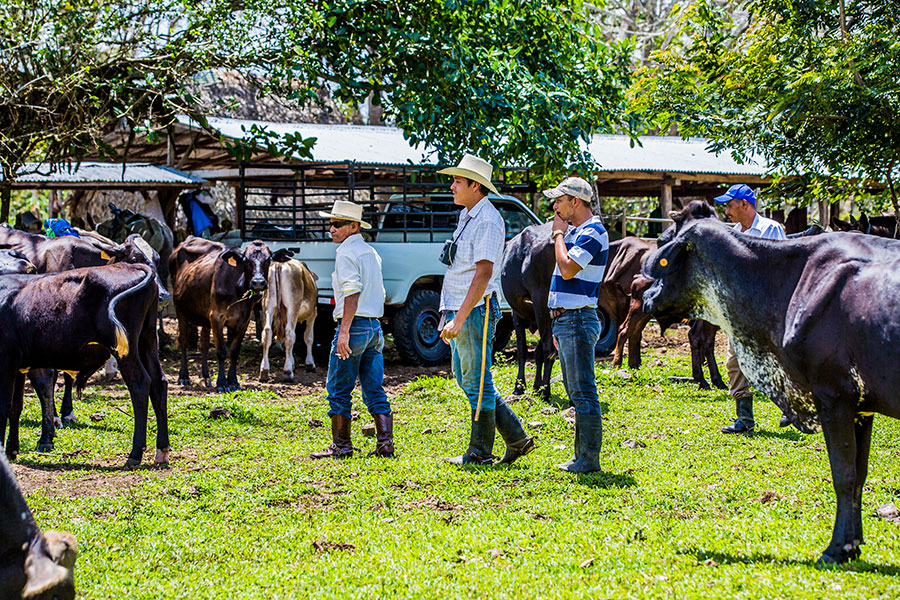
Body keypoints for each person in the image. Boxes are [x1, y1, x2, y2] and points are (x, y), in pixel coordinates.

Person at [437, 154, 534, 465]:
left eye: (458, 181)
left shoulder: (489, 220)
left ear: (475, 185)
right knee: (467, 377)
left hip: (476, 308)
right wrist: (449, 313)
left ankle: (480, 452)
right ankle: (517, 438)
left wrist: (460, 317)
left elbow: (482, 274)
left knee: (477, 380)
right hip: (461, 306)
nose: (452, 186)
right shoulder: (468, 216)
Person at [310, 200, 394, 459]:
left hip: (354, 327)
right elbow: (379, 292)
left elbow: (352, 292)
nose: (331, 229)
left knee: (338, 388)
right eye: (331, 224)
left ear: (353, 226)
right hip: (374, 328)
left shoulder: (346, 253)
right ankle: (385, 444)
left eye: (337, 224)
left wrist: (344, 331)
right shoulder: (371, 252)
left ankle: (342, 446)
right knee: (373, 388)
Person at [545, 177, 609, 473]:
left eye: (559, 200)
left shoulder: (593, 232)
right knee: (576, 390)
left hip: (577, 319)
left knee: (583, 390)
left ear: (575, 201)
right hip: (567, 320)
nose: (555, 206)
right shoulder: (579, 233)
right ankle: (581, 456)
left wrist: (558, 236)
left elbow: (568, 269)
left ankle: (588, 458)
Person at [714, 184, 787, 434]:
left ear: (744, 204)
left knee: (779, 359)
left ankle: (791, 409)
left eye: (729, 204)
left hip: (766, 310)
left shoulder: (771, 229)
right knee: (735, 362)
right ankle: (744, 418)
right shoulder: (732, 234)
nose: (726, 210)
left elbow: (781, 267)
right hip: (739, 310)